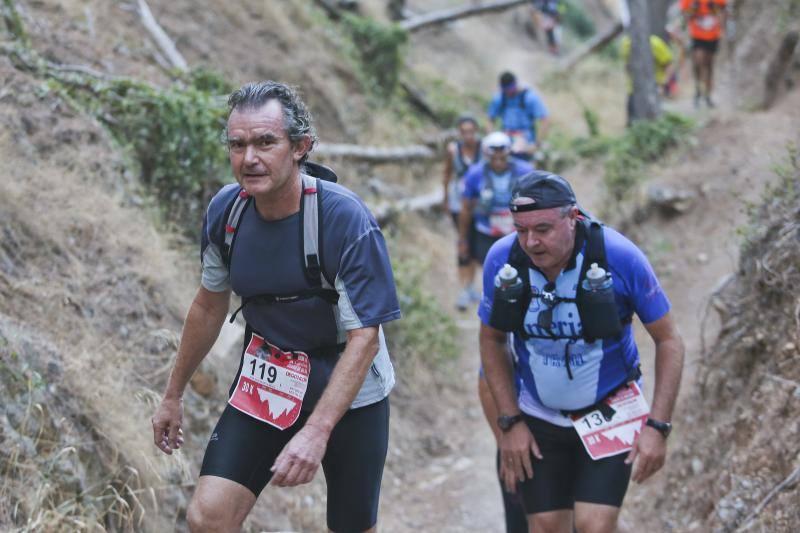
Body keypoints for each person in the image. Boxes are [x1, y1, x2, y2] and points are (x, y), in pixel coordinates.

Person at [150, 81, 401, 533]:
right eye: (238, 144)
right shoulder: (226, 213)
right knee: (208, 518)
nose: (250, 158)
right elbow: (209, 307)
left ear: (301, 147)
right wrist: (172, 395)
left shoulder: (344, 219)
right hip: (271, 375)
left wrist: (317, 431)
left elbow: (366, 338)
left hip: (349, 382)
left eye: (266, 142)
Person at [479, 171, 684, 532]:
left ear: (573, 218)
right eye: (521, 229)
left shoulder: (618, 257)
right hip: (538, 414)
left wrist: (658, 426)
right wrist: (509, 422)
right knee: (545, 526)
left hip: (610, 407)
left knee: (594, 526)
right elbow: (491, 340)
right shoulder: (503, 259)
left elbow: (669, 340)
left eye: (542, 229)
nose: (530, 242)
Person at [458, 131, 534, 279]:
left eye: (502, 156)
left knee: (521, 268)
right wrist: (463, 238)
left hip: (517, 231)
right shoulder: (475, 174)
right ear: (486, 154)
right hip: (486, 230)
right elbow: (466, 207)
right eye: (494, 156)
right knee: (492, 269)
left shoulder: (525, 171)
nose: (498, 160)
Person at [443, 115, 483, 311]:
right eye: (464, 131)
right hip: (459, 202)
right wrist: (444, 198)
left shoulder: (483, 149)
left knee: (474, 243)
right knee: (463, 242)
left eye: (471, 131)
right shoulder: (453, 150)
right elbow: (447, 173)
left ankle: (470, 286)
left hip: (478, 202)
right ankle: (464, 289)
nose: (468, 135)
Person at [487, 72, 549, 162]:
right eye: (505, 90)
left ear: (516, 84)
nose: (509, 93)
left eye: (510, 89)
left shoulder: (529, 97)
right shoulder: (499, 98)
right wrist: (492, 138)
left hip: (526, 141)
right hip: (506, 140)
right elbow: (490, 119)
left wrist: (536, 144)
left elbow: (545, 120)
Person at [680, 0, 727, 108]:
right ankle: (697, 90)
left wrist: (714, 8)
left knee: (709, 64)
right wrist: (693, 9)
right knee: (698, 60)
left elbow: (723, 14)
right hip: (696, 35)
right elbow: (685, 18)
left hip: (713, 35)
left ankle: (708, 95)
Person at [620, 33, 675, 124]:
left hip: (655, 89)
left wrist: (662, 85)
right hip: (633, 91)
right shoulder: (626, 43)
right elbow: (626, 66)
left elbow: (669, 65)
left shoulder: (655, 43)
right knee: (632, 123)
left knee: (655, 121)